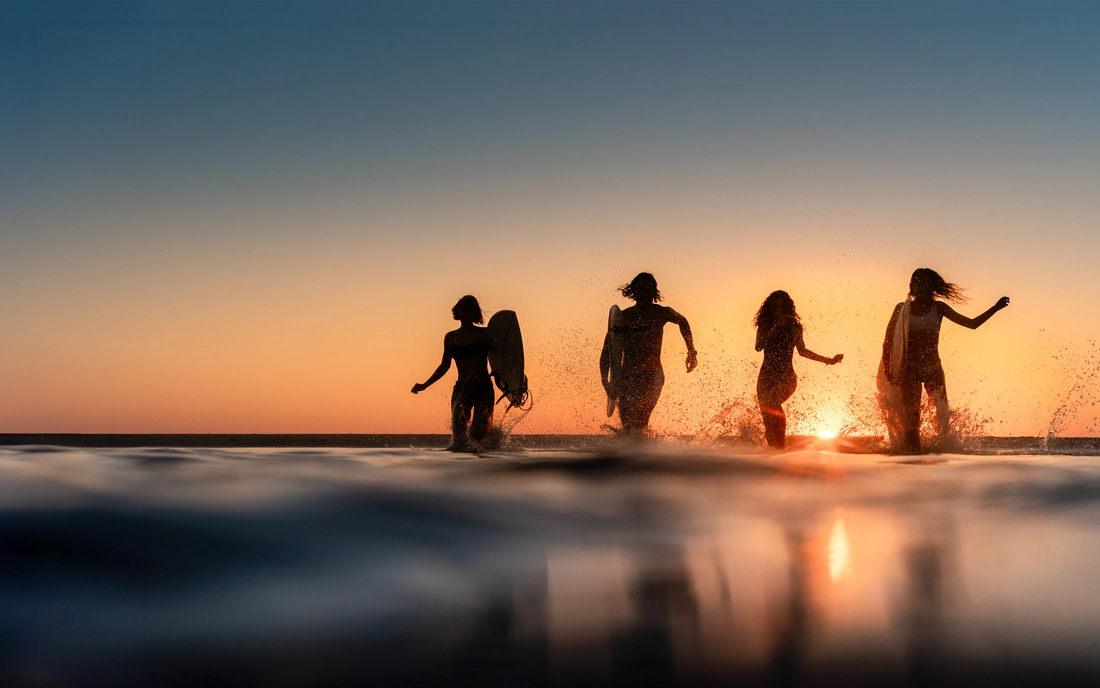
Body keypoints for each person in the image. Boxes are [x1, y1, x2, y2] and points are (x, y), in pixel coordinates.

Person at [878, 268, 1009, 454]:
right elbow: (888, 341)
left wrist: (995, 308)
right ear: (912, 286)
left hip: (933, 368)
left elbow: (972, 324)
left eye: (927, 284)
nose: (923, 288)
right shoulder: (902, 308)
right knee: (912, 416)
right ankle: (912, 454)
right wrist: (887, 369)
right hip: (909, 369)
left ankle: (941, 451)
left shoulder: (939, 308)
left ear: (933, 287)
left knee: (942, 415)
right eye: (919, 284)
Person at [600, 273, 697, 435]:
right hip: (627, 376)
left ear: (654, 293)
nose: (645, 295)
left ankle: (644, 448)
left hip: (652, 375)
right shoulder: (624, 318)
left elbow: (683, 321)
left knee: (640, 421)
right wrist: (605, 381)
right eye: (641, 291)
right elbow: (606, 353)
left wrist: (691, 351)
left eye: (649, 291)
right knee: (628, 427)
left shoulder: (661, 313)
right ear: (634, 292)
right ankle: (633, 449)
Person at [754, 290, 843, 449]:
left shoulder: (794, 327)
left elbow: (803, 351)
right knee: (768, 422)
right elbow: (758, 346)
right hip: (765, 378)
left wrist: (828, 360)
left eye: (782, 307)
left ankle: (781, 447)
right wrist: (776, 327)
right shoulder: (765, 325)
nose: (778, 310)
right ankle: (774, 453)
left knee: (773, 402)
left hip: (786, 377)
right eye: (775, 307)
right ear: (770, 308)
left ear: (788, 308)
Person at [411, 295, 494, 452]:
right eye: (463, 309)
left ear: (475, 313)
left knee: (478, 434)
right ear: (458, 311)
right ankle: (460, 462)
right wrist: (425, 385)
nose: (466, 313)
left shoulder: (484, 334)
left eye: (470, 310)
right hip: (462, 388)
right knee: (458, 435)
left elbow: (502, 359)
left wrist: (517, 380)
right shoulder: (451, 337)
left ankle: (481, 461)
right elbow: (444, 366)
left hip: (484, 389)